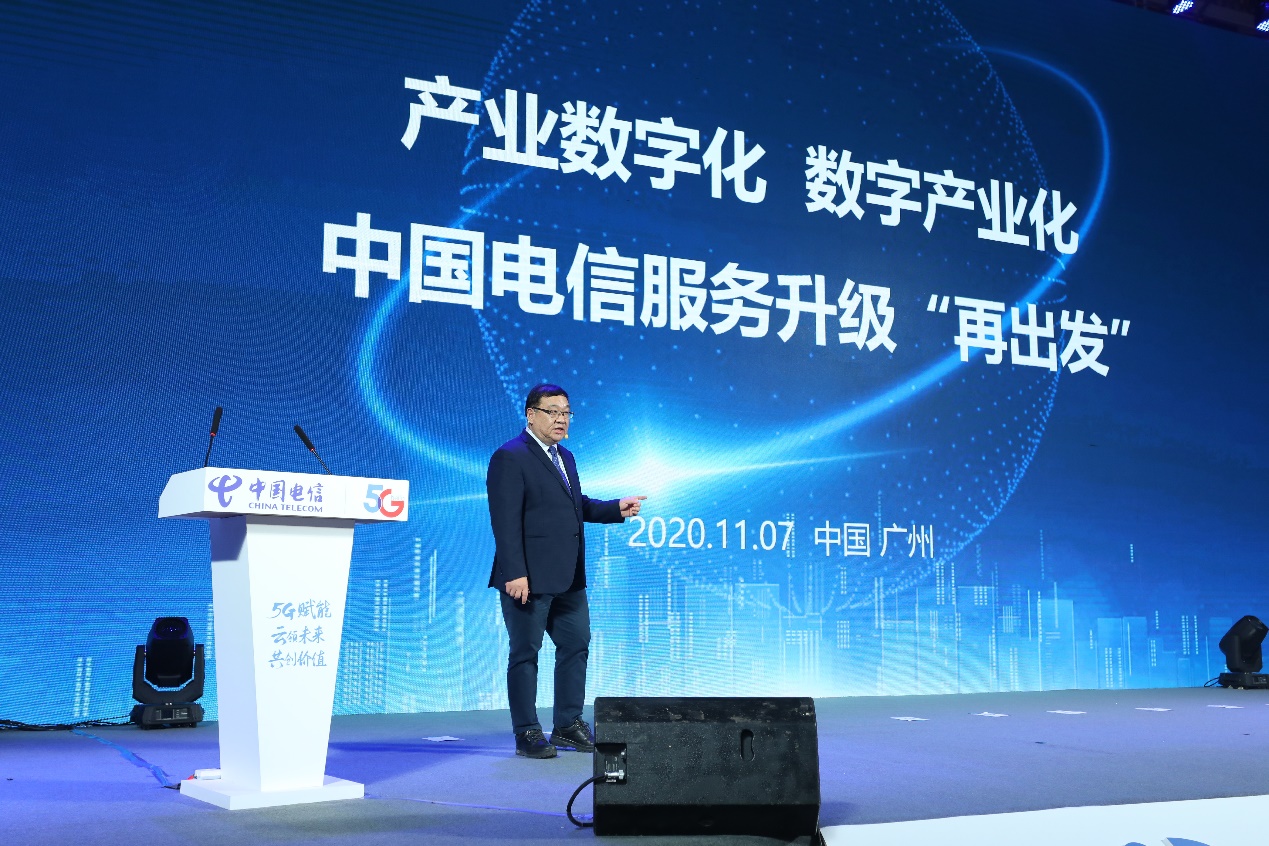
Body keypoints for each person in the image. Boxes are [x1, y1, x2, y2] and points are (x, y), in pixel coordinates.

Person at [486, 383, 646, 758]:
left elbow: (575, 506)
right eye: (553, 411)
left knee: (576, 646)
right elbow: (504, 521)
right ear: (531, 415)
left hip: (569, 577)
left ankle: (568, 725)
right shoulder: (509, 456)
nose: (561, 419)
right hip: (527, 578)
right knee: (525, 653)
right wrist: (515, 572)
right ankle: (527, 732)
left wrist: (614, 509)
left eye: (566, 412)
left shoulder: (566, 457)